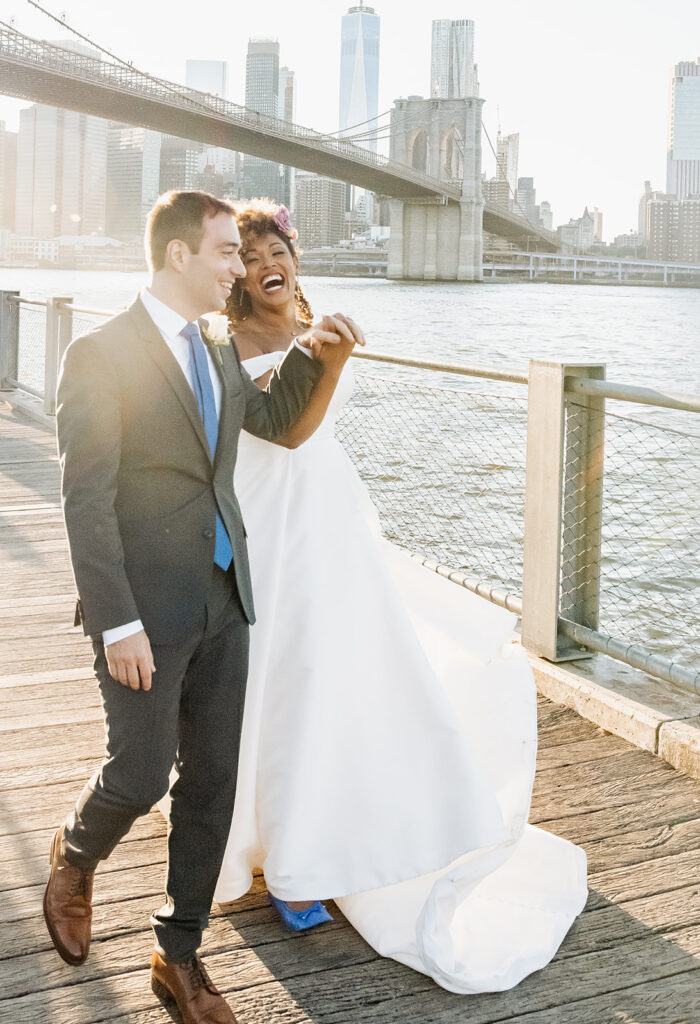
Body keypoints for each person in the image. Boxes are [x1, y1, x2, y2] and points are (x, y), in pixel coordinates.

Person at [213, 199, 589, 995]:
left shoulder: (311, 325)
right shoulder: (227, 342)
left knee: (341, 686)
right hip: (273, 532)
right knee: (278, 687)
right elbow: (287, 432)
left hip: (334, 528)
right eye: (247, 255)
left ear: (296, 254)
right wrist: (329, 365)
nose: (265, 262)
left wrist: (323, 355)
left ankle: (316, 847)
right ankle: (273, 857)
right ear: (231, 274)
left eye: (275, 245)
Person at [45, 190, 361, 1024]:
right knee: (143, 774)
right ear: (181, 256)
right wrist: (116, 622)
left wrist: (318, 355)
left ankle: (178, 956)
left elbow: (274, 419)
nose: (240, 265)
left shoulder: (218, 347)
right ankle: (76, 854)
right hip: (144, 612)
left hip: (228, 599)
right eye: (227, 251)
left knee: (212, 784)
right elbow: (86, 501)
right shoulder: (98, 354)